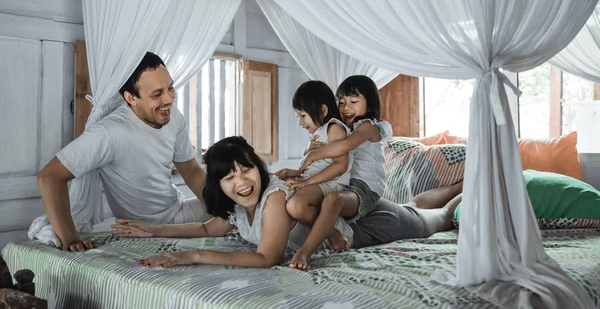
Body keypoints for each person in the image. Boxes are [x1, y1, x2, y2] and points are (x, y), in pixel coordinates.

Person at [111, 136, 462, 269]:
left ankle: (473, 185)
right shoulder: (236, 206)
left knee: (440, 218)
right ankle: (458, 183)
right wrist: (152, 229)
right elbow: (208, 227)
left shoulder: (274, 198)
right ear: (219, 183)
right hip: (367, 214)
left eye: (246, 169)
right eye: (229, 176)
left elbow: (266, 258)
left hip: (367, 227)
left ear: (257, 168)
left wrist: (193, 255)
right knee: (416, 202)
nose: (241, 181)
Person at [36, 52, 210, 252]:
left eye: (170, 87)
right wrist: (70, 239)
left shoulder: (173, 117)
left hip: (179, 213)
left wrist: (223, 207)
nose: (168, 99)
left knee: (240, 205)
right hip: (143, 228)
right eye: (156, 94)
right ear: (131, 97)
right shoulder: (110, 133)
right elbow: (49, 177)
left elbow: (192, 172)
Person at [291, 75, 393, 269]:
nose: (346, 107)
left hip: (366, 187)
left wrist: (315, 155)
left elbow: (344, 147)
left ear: (369, 103)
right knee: (304, 201)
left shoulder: (368, 127)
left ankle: (305, 251)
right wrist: (311, 151)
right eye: (342, 101)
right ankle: (333, 233)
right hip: (346, 183)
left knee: (332, 200)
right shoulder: (342, 127)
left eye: (353, 102)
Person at [274, 81, 353, 248]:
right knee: (275, 187)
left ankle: (333, 233)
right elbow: (315, 161)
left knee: (296, 206)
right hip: (312, 180)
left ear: (323, 110)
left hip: (329, 183)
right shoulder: (320, 132)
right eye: (298, 117)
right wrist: (296, 171)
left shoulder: (335, 128)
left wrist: (305, 182)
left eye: (303, 116)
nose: (300, 123)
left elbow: (341, 165)